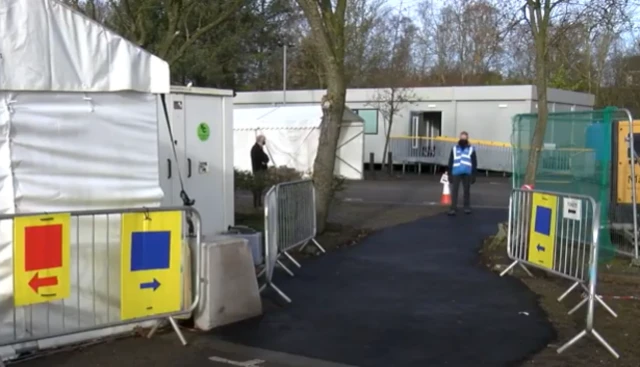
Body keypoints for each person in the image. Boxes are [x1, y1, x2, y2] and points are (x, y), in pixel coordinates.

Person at [447, 131, 477, 215]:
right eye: (462, 137)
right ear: (459, 138)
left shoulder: (471, 149)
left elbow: (474, 162)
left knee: (466, 190)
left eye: (464, 138)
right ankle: (453, 208)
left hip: (467, 172)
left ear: (467, 139)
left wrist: (474, 175)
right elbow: (450, 161)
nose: (463, 139)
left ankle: (466, 207)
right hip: (456, 172)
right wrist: (449, 174)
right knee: (454, 191)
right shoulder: (454, 148)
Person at [250, 135, 269, 208]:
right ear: (260, 140)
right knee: (257, 187)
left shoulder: (259, 148)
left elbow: (265, 158)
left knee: (259, 187)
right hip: (258, 170)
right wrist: (264, 161)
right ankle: (256, 204)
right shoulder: (256, 149)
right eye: (264, 140)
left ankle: (258, 203)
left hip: (259, 170)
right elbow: (263, 158)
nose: (264, 141)